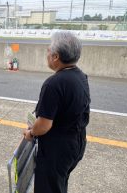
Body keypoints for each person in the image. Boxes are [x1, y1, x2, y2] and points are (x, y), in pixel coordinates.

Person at [23, 31, 90, 193]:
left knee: (48, 188)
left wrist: (31, 133)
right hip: (76, 143)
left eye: (48, 51)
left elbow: (44, 125)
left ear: (55, 57)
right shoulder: (80, 76)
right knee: (59, 184)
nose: (47, 54)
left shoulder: (54, 84)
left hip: (57, 150)